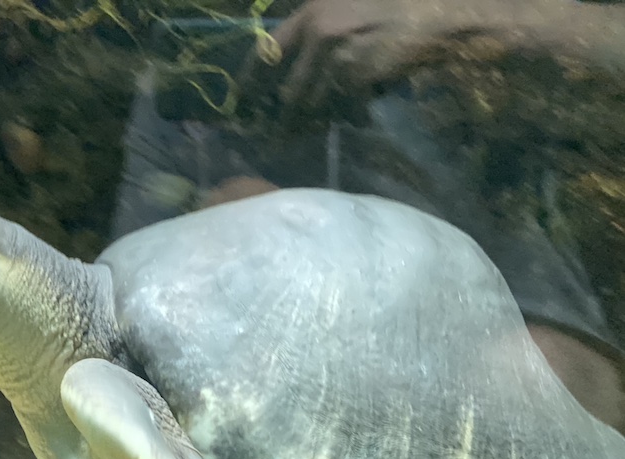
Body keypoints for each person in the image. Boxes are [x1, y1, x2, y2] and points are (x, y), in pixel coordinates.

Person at [111, 0, 625, 434]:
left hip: (503, 381)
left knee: (535, 374)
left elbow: (572, 383)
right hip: (284, 449)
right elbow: (131, 370)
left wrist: (454, 21)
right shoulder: (189, 105)